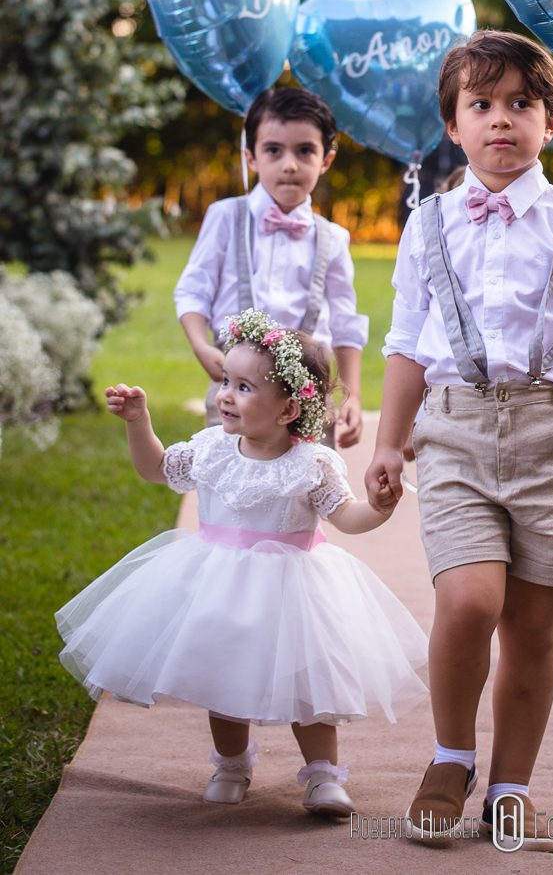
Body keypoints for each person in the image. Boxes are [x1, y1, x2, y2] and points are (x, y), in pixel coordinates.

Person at [364, 30, 553, 852]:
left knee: (532, 626)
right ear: (453, 124)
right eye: (481, 105)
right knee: (470, 599)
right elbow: (407, 340)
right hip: (456, 433)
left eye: (522, 104)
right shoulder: (430, 223)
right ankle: (451, 757)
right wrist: (387, 442)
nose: (501, 121)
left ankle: (511, 787)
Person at [56, 315, 428, 816]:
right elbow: (155, 468)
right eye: (225, 382)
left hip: (293, 592)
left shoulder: (309, 463)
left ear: (288, 409)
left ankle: (323, 774)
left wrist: (378, 508)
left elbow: (347, 517)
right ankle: (232, 764)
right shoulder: (211, 449)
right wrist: (138, 422)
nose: (226, 395)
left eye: (244, 387)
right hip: (218, 582)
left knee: (307, 679)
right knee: (222, 674)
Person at [174, 87, 368, 448]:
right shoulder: (224, 217)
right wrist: (202, 347)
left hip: (307, 403)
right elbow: (192, 291)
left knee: (306, 498)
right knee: (229, 494)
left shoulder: (333, 238)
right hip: (234, 397)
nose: (289, 164)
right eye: (273, 150)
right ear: (251, 157)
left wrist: (352, 395)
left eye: (305, 151)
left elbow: (345, 323)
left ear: (326, 159)